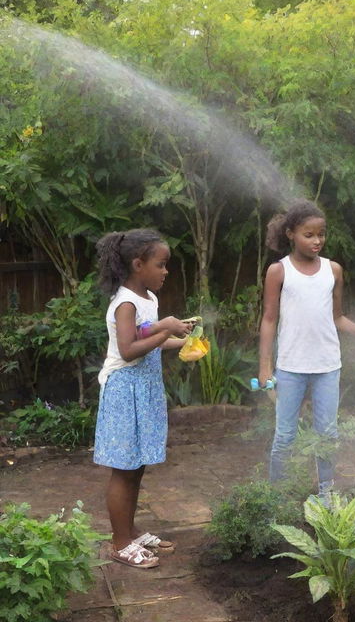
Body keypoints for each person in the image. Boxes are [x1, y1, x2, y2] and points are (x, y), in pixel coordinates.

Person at [258, 199, 355, 499]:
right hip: (290, 367)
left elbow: (337, 317)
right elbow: (269, 319)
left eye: (321, 234)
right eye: (308, 234)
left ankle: (326, 495)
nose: (317, 240)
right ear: (290, 234)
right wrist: (264, 367)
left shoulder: (333, 270)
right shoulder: (278, 271)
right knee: (285, 436)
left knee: (328, 435)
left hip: (327, 366)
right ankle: (277, 496)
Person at [95, 229, 192, 568]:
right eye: (161, 265)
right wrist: (164, 328)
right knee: (123, 469)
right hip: (124, 391)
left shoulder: (148, 298)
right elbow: (128, 347)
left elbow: (147, 336)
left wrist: (180, 342)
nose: (166, 272)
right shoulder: (125, 302)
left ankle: (130, 530)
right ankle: (120, 543)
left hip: (144, 390)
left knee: (137, 466)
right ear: (138, 264)